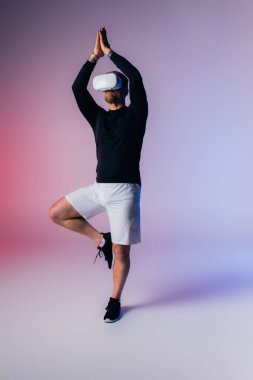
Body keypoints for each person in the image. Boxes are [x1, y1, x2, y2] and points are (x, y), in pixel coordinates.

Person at [48, 27, 148, 322]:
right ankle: (98, 239)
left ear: (122, 90)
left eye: (111, 88)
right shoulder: (98, 118)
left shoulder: (136, 115)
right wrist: (93, 57)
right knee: (57, 212)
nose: (106, 93)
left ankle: (114, 300)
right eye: (103, 89)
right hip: (100, 187)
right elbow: (77, 90)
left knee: (122, 251)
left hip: (126, 192)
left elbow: (137, 77)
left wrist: (110, 53)